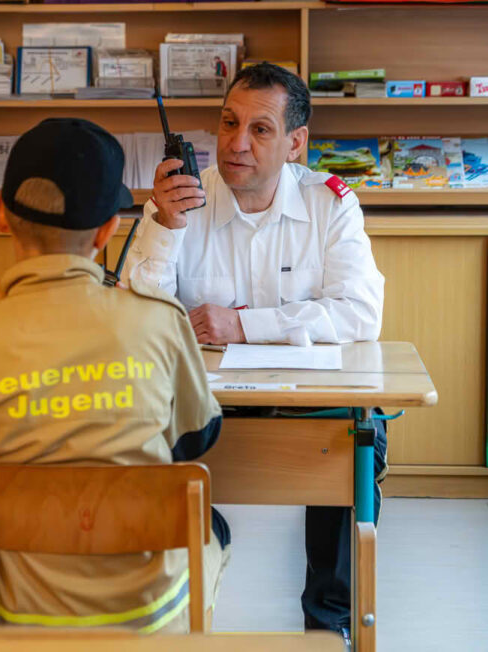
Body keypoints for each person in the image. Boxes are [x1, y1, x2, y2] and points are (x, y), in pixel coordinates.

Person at [0, 118, 230, 633]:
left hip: (8, 618)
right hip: (145, 619)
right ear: (108, 230)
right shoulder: (161, 322)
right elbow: (196, 437)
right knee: (216, 528)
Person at [123, 62, 386, 641]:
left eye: (260, 130)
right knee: (128, 425)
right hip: (203, 405)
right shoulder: (181, 202)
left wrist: (245, 327)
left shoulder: (331, 204)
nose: (236, 144)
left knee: (358, 431)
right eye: (228, 123)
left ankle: (329, 620)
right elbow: (131, 314)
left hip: (305, 402)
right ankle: (156, 610)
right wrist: (164, 226)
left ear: (296, 143)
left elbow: (362, 315)